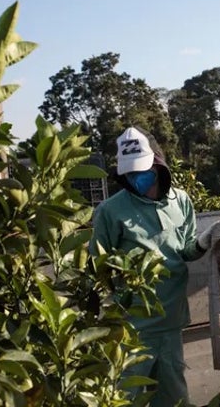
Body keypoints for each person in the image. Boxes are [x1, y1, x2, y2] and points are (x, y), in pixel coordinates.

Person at [89, 126, 205, 406]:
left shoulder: (181, 202)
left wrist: (203, 243)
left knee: (174, 397)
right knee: (126, 398)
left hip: (171, 321)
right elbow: (97, 265)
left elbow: (185, 249)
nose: (135, 178)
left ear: (157, 165)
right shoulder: (111, 210)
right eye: (129, 174)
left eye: (141, 171)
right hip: (133, 326)